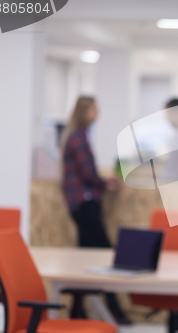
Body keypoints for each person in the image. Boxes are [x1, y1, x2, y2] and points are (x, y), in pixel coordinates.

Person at [60, 96, 130, 325]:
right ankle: (114, 309)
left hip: (81, 203)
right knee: (106, 254)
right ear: (84, 111)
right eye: (93, 110)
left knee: (85, 256)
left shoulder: (78, 136)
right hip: (84, 202)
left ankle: (77, 310)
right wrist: (105, 183)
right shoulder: (78, 138)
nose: (97, 114)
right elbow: (87, 174)